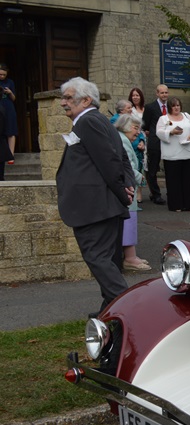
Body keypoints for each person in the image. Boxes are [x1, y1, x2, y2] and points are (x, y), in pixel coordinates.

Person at [56, 77, 133, 317]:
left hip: (95, 208)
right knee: (106, 260)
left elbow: (111, 160)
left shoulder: (88, 121)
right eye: (64, 98)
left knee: (97, 258)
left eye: (68, 98)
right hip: (102, 206)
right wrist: (126, 186)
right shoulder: (98, 120)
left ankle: (129, 312)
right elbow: (119, 156)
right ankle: (109, 314)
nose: (63, 103)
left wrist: (123, 191)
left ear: (86, 100)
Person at [114, 113, 150, 272]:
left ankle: (129, 256)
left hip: (124, 187)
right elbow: (126, 165)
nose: (138, 132)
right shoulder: (122, 140)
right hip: (127, 188)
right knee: (129, 221)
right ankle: (130, 258)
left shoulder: (120, 138)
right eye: (136, 128)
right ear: (125, 126)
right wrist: (140, 177)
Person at [156, 96, 190, 212]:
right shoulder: (163, 118)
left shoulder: (186, 115)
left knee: (187, 179)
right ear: (170, 107)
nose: (176, 108)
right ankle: (176, 205)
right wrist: (171, 132)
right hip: (172, 155)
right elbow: (159, 132)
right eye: (174, 106)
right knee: (173, 181)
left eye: (178, 105)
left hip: (187, 152)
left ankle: (188, 204)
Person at [141, 84, 169, 204]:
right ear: (157, 93)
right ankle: (155, 194)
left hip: (169, 142)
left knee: (169, 169)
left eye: (166, 92)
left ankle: (171, 192)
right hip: (155, 142)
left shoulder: (172, 106)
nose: (164, 95)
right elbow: (145, 124)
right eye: (162, 93)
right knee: (152, 170)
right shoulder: (150, 107)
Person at [1, 62, 19, 163]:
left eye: (4, 74)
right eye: (0, 74)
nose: (2, 76)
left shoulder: (10, 82)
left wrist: (10, 92)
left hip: (9, 108)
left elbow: (13, 98)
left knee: (11, 130)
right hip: (0, 108)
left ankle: (11, 155)